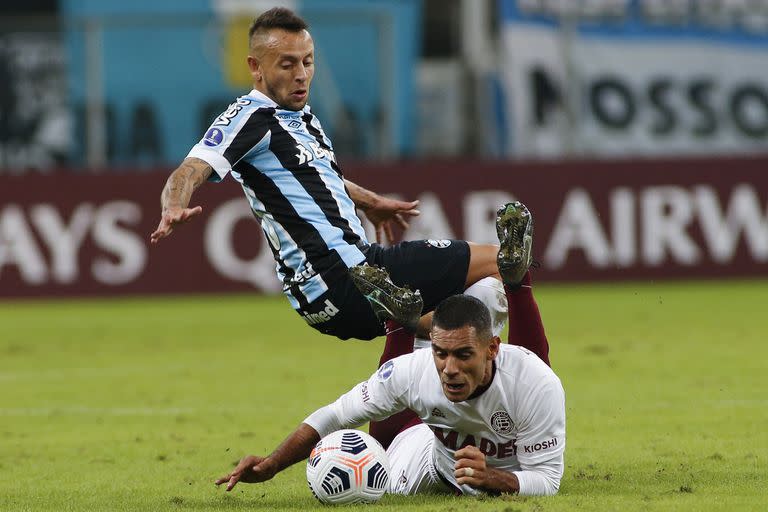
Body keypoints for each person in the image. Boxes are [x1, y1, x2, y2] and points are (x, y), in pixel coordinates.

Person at [149, 6, 550, 361]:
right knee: (504, 263)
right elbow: (190, 169)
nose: (301, 74)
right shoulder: (250, 117)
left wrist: (367, 199)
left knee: (442, 328)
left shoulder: (299, 118)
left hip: (329, 293)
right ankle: (521, 387)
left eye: (307, 61)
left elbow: (317, 176)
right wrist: (173, 205)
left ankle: (423, 409)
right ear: (255, 67)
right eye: (287, 64)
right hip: (348, 276)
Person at [215, 294, 566, 497]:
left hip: (509, 470)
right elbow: (337, 415)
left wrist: (494, 478)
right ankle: (399, 322)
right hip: (429, 464)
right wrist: (272, 464)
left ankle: (517, 286)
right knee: (383, 445)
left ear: (492, 348)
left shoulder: (536, 383)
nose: (449, 368)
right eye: (441, 353)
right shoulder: (416, 369)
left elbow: (548, 481)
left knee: (524, 385)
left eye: (463, 355)